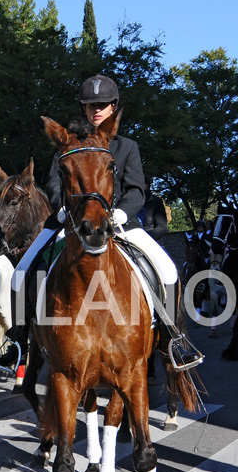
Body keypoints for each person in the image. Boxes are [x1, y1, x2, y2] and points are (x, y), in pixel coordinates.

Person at [45, 74, 201, 369]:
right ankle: (20, 341)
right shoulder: (67, 144)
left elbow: (135, 189)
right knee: (25, 269)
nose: (96, 111)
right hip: (73, 223)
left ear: (113, 107)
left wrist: (121, 213)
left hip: (119, 224)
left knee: (167, 270)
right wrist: (61, 208)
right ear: (84, 109)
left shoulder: (126, 147)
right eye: (91, 106)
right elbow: (54, 185)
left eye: (103, 105)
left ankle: (174, 340)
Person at [142, 176, 169, 242]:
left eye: (144, 183)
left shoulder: (156, 201)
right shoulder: (127, 202)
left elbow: (162, 227)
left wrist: (146, 237)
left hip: (150, 240)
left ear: (148, 185)